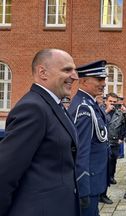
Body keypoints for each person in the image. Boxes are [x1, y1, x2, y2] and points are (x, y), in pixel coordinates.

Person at [0, 48, 80, 216]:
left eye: (74, 70)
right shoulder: (33, 108)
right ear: (43, 72)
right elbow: (6, 172)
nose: (75, 76)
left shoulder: (52, 105)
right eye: (67, 70)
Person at [68, 60, 109, 216]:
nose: (104, 83)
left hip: (95, 181)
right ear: (84, 81)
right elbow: (80, 152)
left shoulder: (91, 104)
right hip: (88, 183)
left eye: (104, 79)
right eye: (99, 79)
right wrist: (83, 189)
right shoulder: (83, 108)